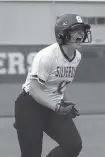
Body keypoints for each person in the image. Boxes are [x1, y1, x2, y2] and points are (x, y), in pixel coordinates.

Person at [13, 14, 92, 157]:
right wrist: (57, 107)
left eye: (83, 30)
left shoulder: (77, 56)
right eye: (76, 30)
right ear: (62, 34)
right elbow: (34, 89)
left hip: (54, 106)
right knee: (31, 154)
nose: (81, 33)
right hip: (30, 106)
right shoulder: (47, 56)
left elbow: (60, 82)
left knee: (73, 146)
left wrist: (64, 101)